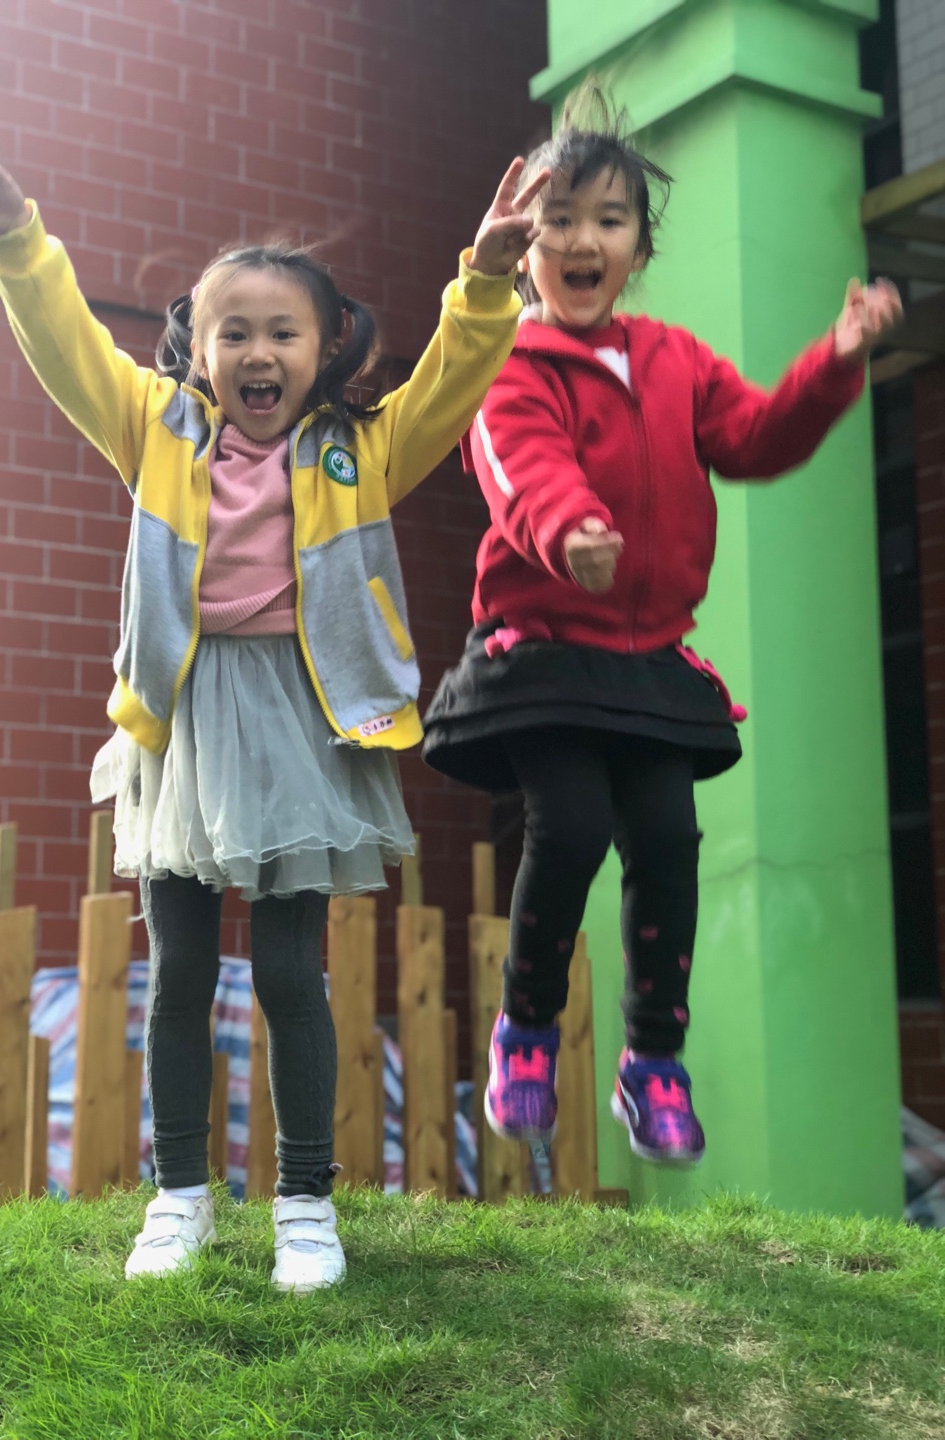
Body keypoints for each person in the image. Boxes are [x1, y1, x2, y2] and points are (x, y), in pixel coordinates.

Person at [0, 122, 548, 1288]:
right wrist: (19, 240)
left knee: (287, 972)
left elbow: (452, 381)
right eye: (234, 333)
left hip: (304, 724)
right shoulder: (155, 433)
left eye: (282, 332)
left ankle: (304, 1203)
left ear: (325, 348)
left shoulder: (362, 450)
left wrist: (484, 281)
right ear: (199, 349)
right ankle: (180, 1198)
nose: (258, 352)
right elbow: (69, 348)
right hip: (185, 721)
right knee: (176, 972)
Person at [422, 89, 901, 1167]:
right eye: (559, 220)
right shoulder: (509, 360)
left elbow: (759, 438)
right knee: (572, 824)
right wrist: (570, 531)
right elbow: (516, 466)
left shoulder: (676, 359)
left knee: (671, 841)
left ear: (639, 247)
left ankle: (653, 1063)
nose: (582, 240)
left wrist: (835, 359)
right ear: (527, 246)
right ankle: (526, 1034)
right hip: (544, 647)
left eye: (609, 219)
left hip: (647, 660)